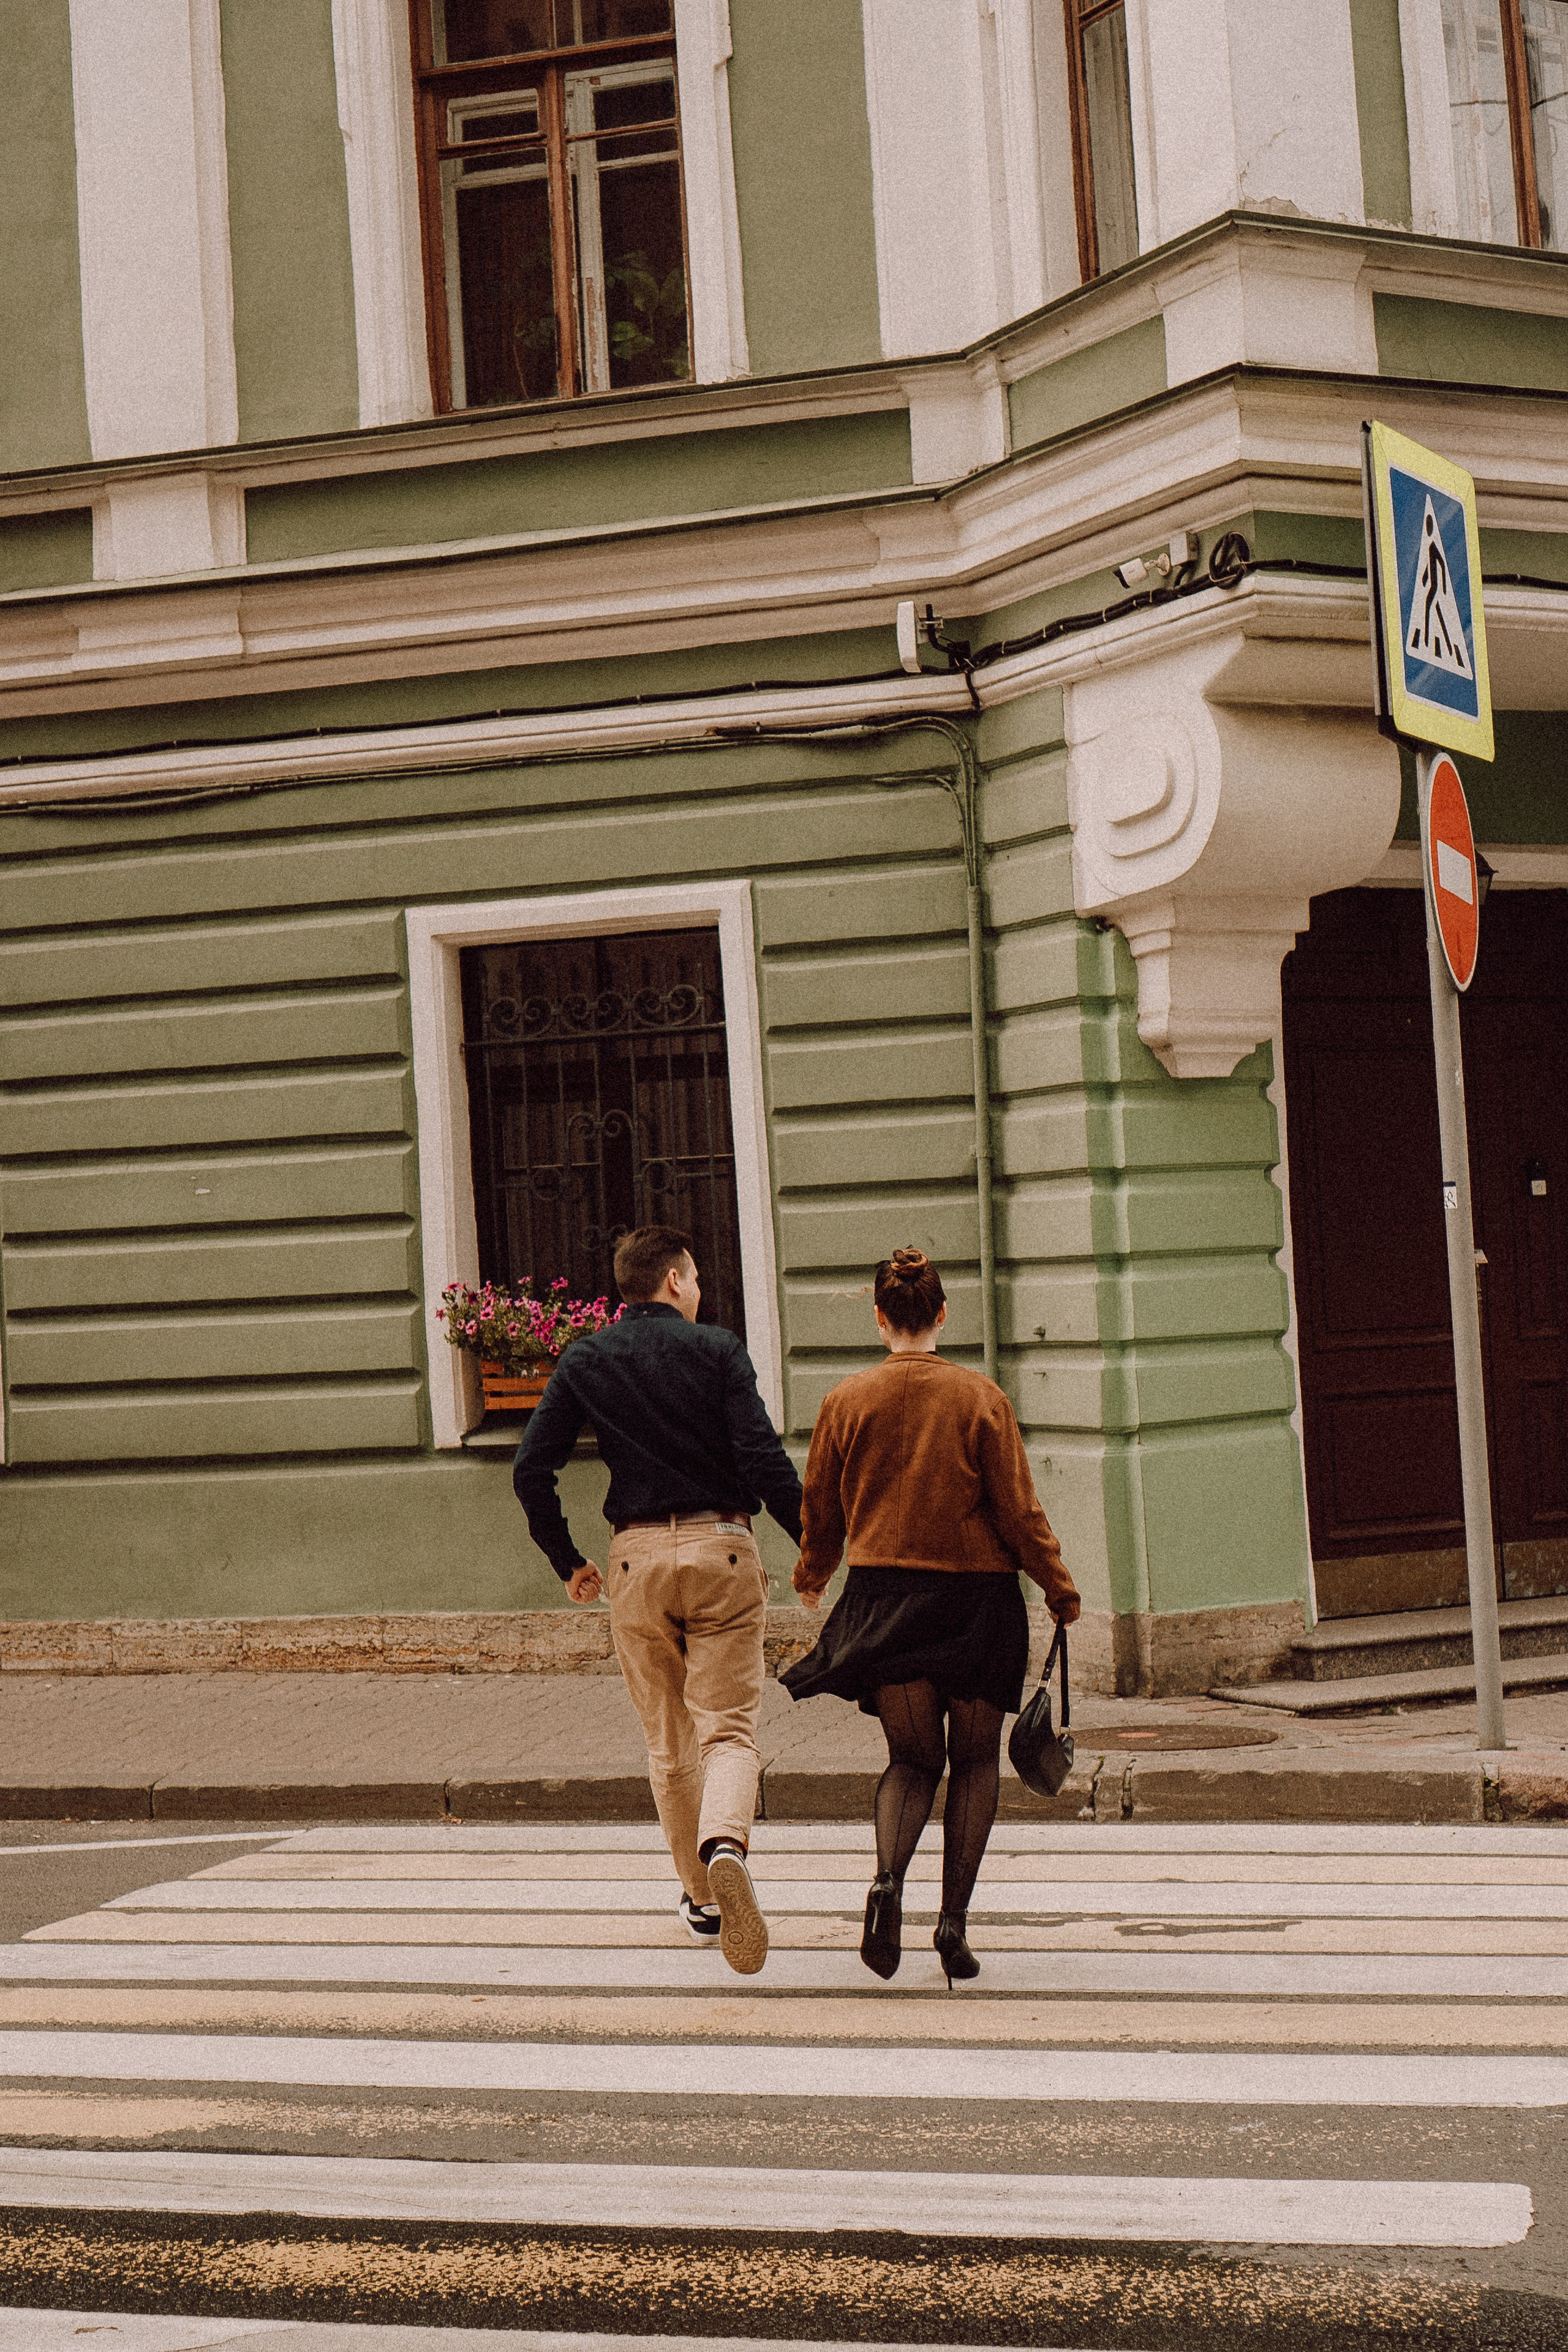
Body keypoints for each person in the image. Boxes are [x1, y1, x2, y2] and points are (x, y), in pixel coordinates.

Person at [781, 1247, 1079, 1985]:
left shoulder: (845, 1401)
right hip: (977, 1602)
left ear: (879, 1319)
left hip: (887, 1602)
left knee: (912, 1761)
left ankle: (887, 1882)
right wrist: (1058, 1587)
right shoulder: (981, 1400)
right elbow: (1019, 1511)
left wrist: (814, 1575)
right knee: (974, 1762)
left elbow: (820, 1505)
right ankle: (953, 1926)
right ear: (942, 1314)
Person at [512, 1225, 802, 1976]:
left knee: (669, 1741)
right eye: (696, 1277)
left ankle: (702, 1900)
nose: (699, 1289)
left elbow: (530, 1468)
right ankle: (727, 1845)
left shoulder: (585, 1359)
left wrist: (566, 1559)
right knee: (729, 1729)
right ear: (675, 1281)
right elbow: (761, 1457)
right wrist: (816, 1545)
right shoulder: (717, 1350)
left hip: (636, 1562)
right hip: (724, 1548)